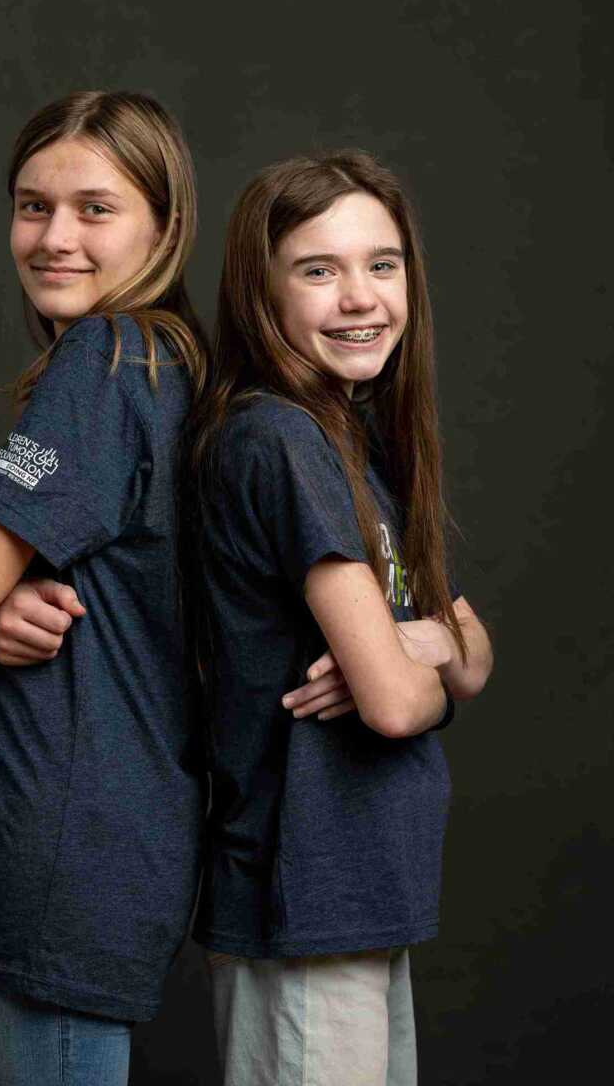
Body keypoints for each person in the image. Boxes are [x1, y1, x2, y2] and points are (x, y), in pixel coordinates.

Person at [185, 150, 494, 1085]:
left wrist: (432, 645)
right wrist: (429, 666)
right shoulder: (279, 439)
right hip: (303, 897)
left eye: (382, 264)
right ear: (261, 291)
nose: (361, 297)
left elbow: (466, 648)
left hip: (357, 896)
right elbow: (401, 706)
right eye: (319, 270)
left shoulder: (352, 443)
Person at [0, 90, 208, 1086]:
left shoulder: (105, 358)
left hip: (62, 861)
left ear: (165, 225)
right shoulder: (175, 360)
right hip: (105, 849)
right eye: (31, 205)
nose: (53, 237)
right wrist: (3, 599)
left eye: (95, 208)